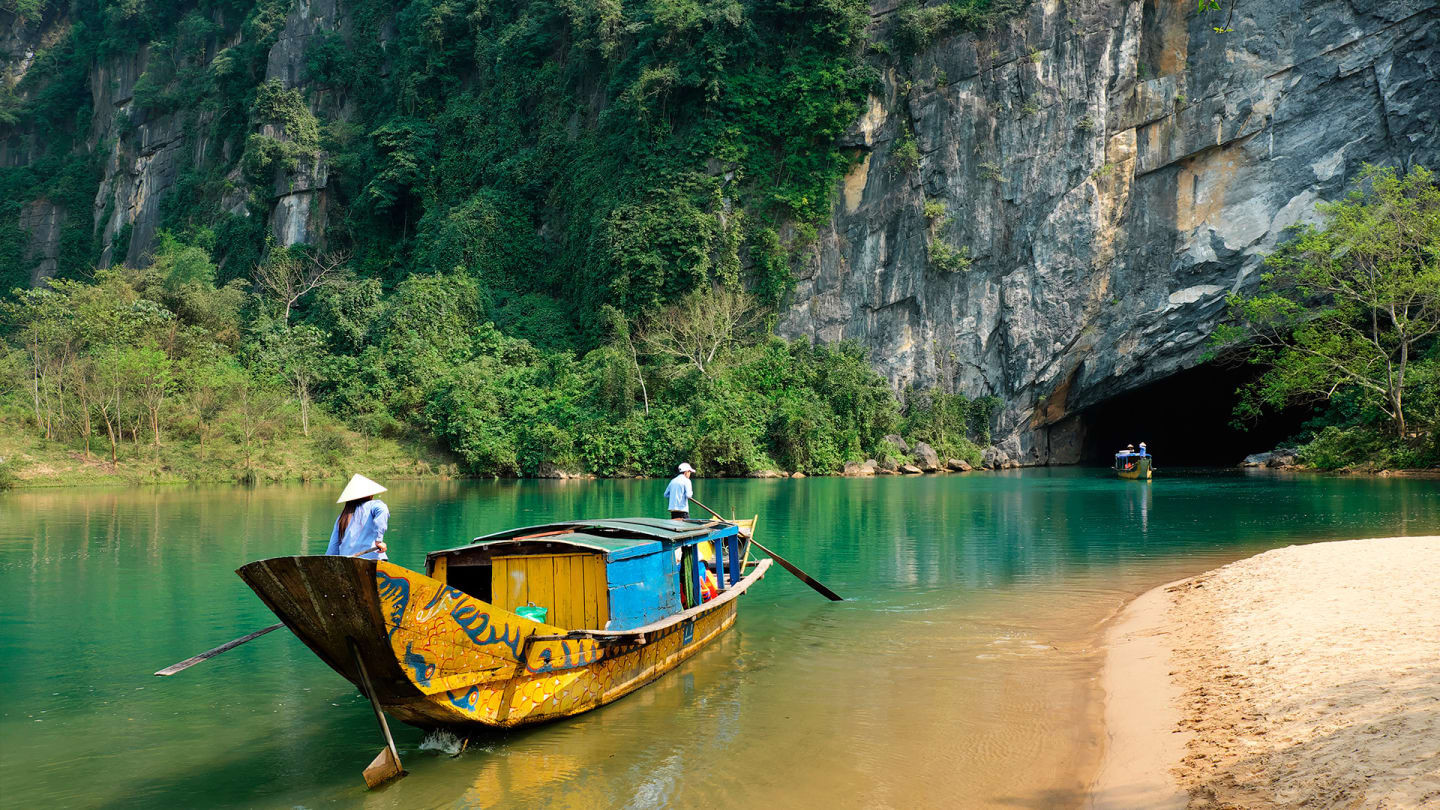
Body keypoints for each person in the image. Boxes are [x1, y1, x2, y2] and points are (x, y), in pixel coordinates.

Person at [326, 474, 389, 559]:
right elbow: (383, 510)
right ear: (369, 494)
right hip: (372, 560)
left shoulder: (342, 517)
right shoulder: (373, 505)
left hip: (348, 563)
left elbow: (333, 547)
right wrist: (378, 540)